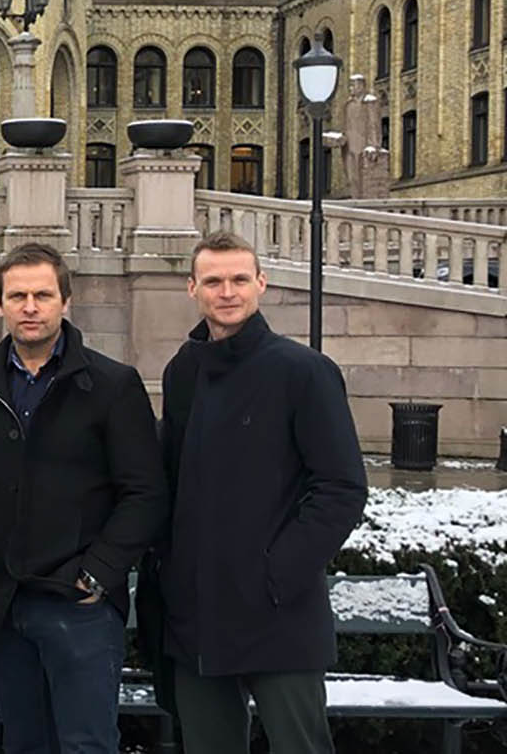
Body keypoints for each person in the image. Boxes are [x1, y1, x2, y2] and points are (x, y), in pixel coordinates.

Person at [0, 243, 167, 754]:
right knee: (22, 743)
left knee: (86, 745)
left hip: (79, 604)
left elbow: (145, 492)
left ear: (66, 301)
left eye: (42, 295)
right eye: (17, 296)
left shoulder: (112, 384)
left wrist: (98, 573)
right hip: (1, 603)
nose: (30, 307)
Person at [153, 232, 366, 754]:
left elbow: (341, 487)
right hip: (196, 615)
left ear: (261, 284)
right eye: (213, 281)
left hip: (278, 614)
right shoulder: (183, 371)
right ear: (192, 288)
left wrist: (278, 571)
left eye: (239, 279)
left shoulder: (303, 371)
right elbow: (172, 481)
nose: (227, 292)